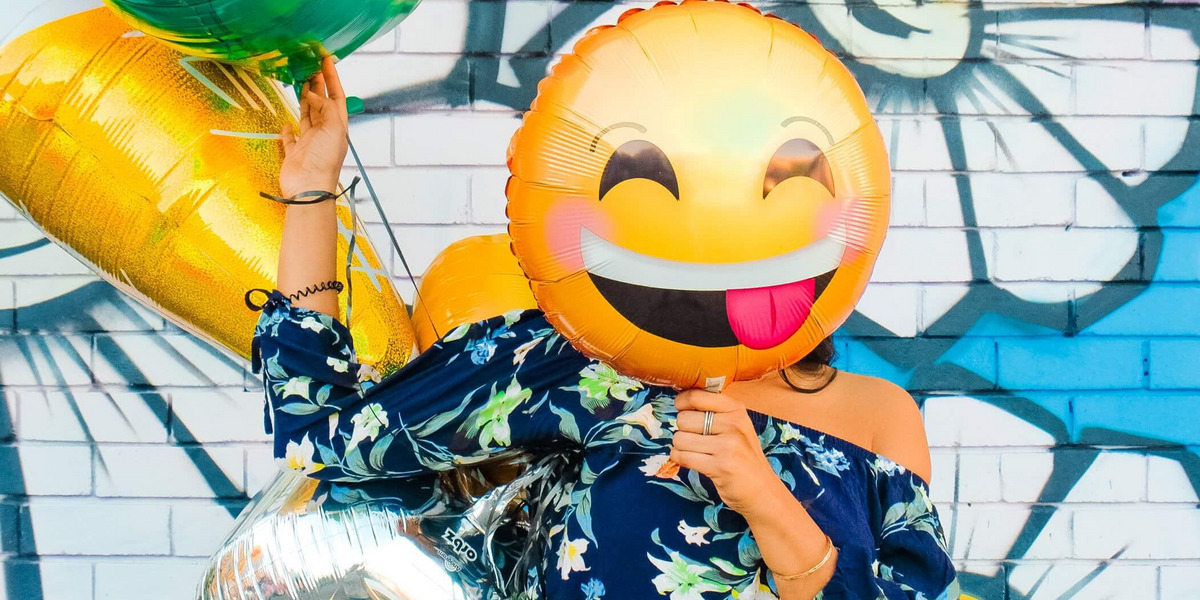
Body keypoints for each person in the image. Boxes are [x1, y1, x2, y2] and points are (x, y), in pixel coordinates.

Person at [256, 56, 959, 600]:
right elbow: (325, 438)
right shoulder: (583, 365)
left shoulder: (878, 419)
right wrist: (313, 190)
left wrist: (765, 496)